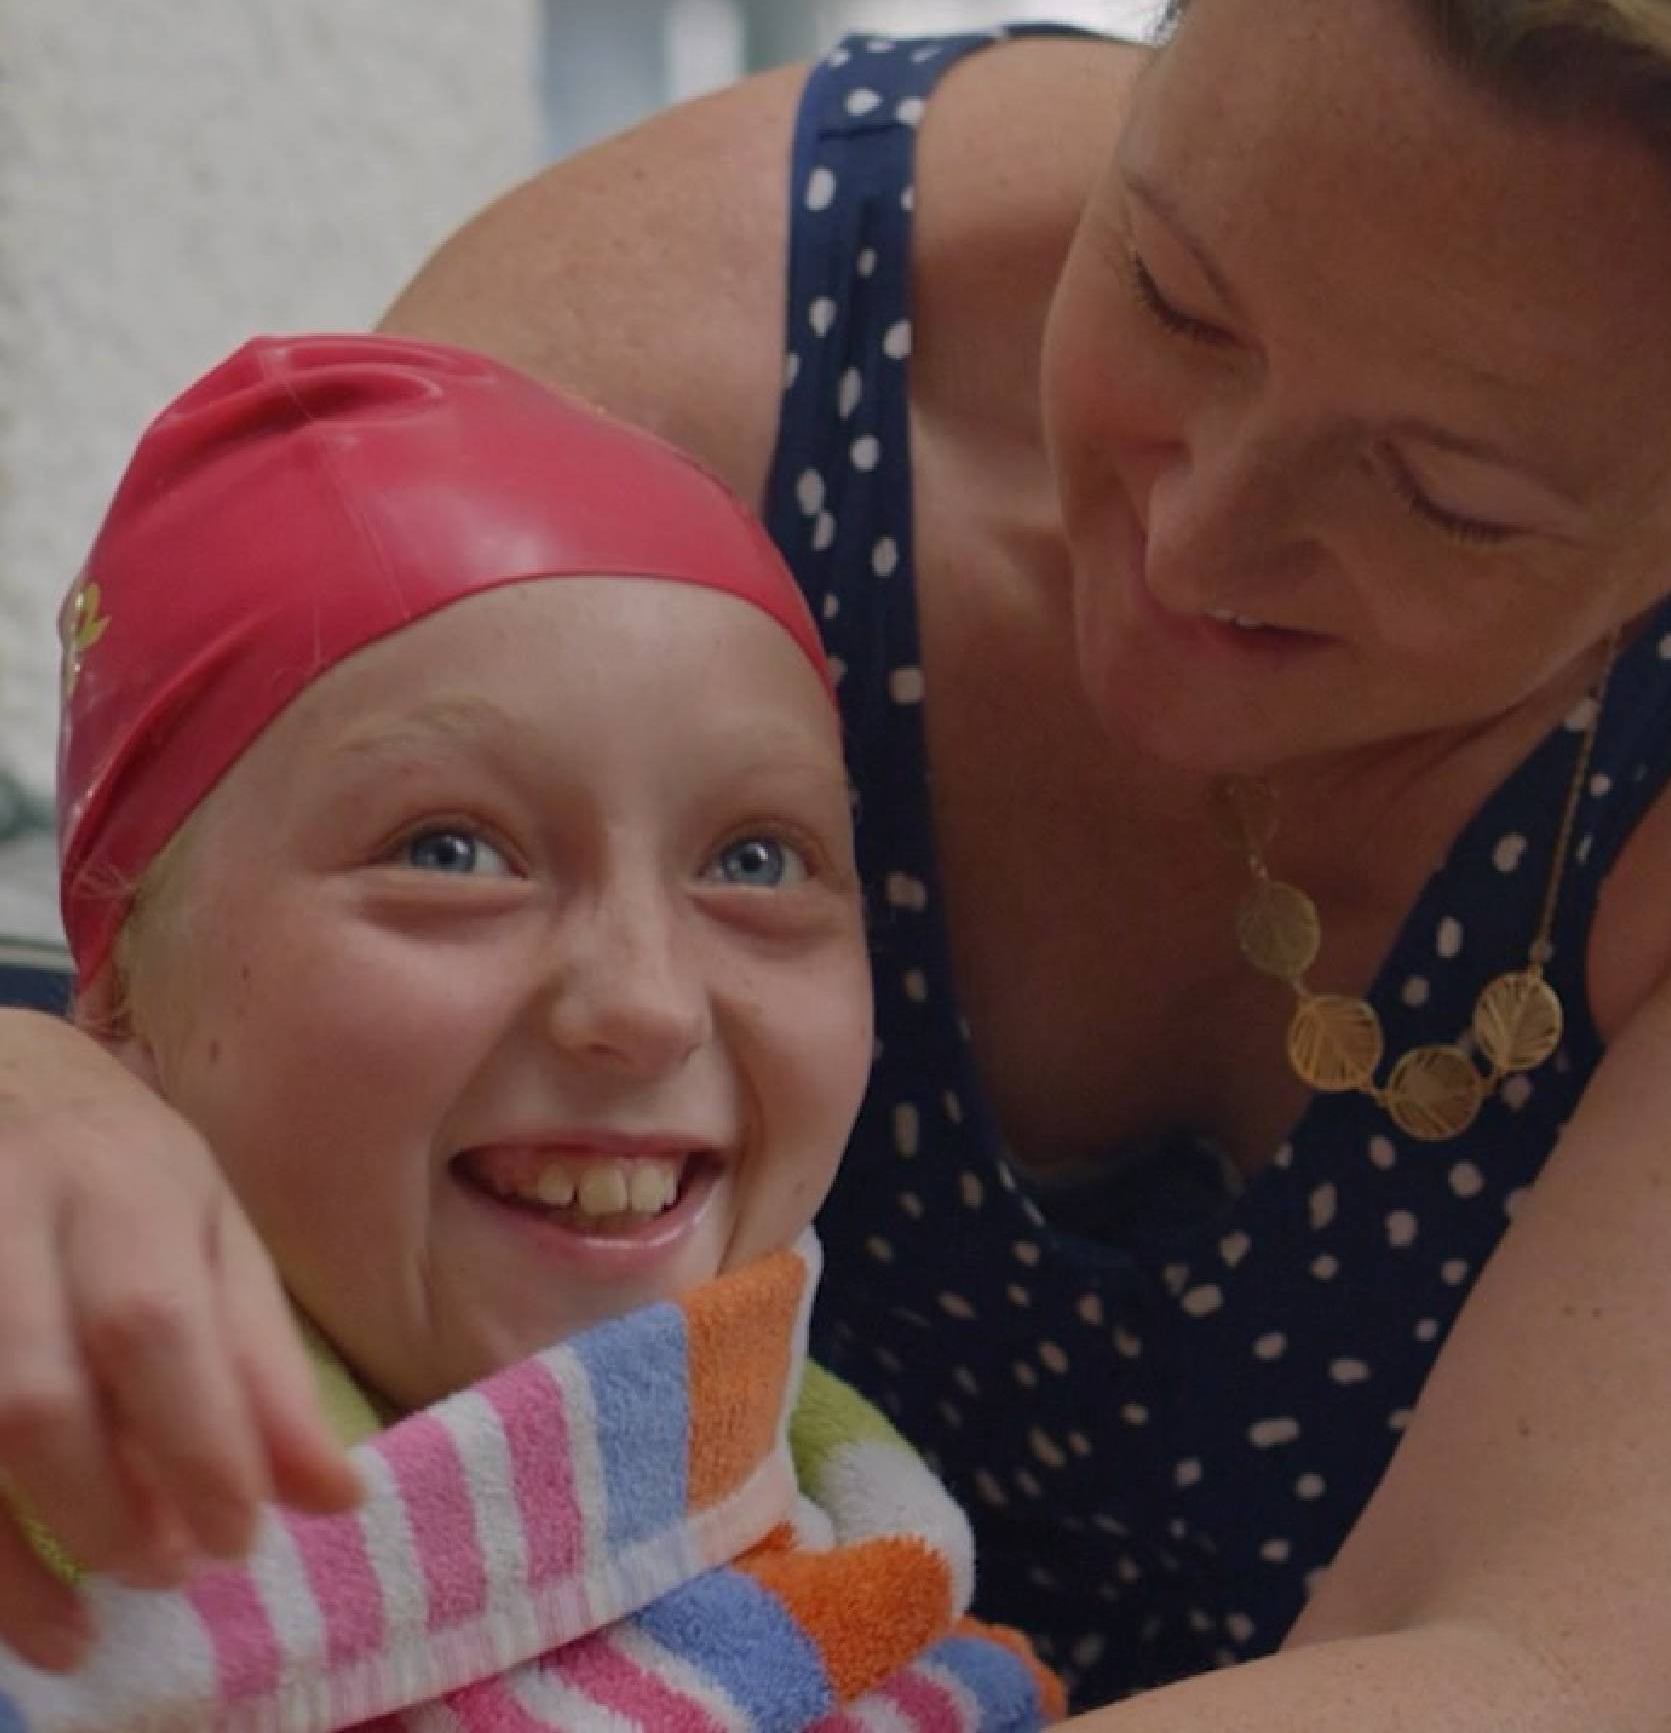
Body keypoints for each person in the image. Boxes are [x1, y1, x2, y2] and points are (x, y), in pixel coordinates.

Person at [2, 0, 1671, 1733]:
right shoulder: (687, 355)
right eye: (1175, 297)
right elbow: (183, 911)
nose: (1198, 538)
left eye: (1444, 493)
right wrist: (49, 1083)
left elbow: (1527, 1657)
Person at [0, 333, 1057, 1728]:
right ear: (124, 989)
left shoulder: (888, 1615)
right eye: (448, 851)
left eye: (754, 862)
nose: (646, 1004)